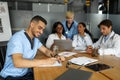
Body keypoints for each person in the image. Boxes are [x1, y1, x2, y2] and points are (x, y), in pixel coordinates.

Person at [0, 15, 65, 80]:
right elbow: (18, 62)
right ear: (32, 24)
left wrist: (56, 56)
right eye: (39, 28)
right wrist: (45, 61)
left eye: (43, 29)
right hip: (12, 76)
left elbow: (46, 51)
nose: (41, 32)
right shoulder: (17, 38)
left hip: (25, 73)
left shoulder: (35, 40)